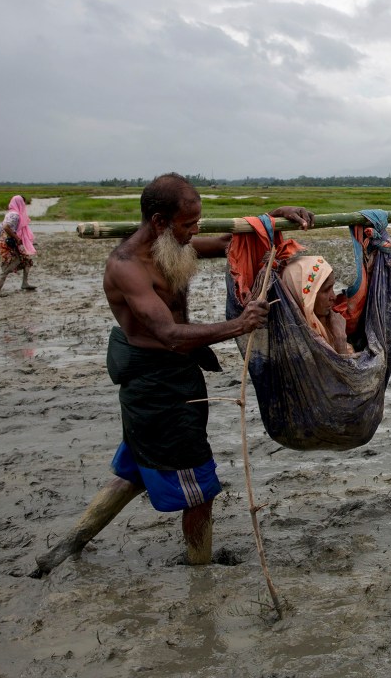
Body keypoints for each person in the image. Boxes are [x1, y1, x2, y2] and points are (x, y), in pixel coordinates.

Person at [31, 173, 312, 577]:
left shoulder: (173, 244)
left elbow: (227, 243)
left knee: (134, 470)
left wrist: (271, 220)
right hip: (156, 385)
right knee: (199, 489)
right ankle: (201, 573)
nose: (196, 230)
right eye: (188, 224)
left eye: (198, 222)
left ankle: (65, 547)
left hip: (174, 375)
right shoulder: (128, 267)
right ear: (160, 222)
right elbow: (170, 335)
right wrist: (240, 323)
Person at [280, 254, 353, 354]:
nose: (334, 297)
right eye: (326, 290)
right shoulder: (297, 346)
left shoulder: (328, 325)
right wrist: (340, 341)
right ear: (304, 297)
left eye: (332, 287)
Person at [0, 195, 38, 292]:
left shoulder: (10, 213)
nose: (24, 205)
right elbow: (5, 227)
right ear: (20, 203)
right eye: (23, 203)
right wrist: (17, 238)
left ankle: (25, 283)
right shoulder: (15, 215)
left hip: (8, 241)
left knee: (26, 260)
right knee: (13, 262)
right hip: (8, 242)